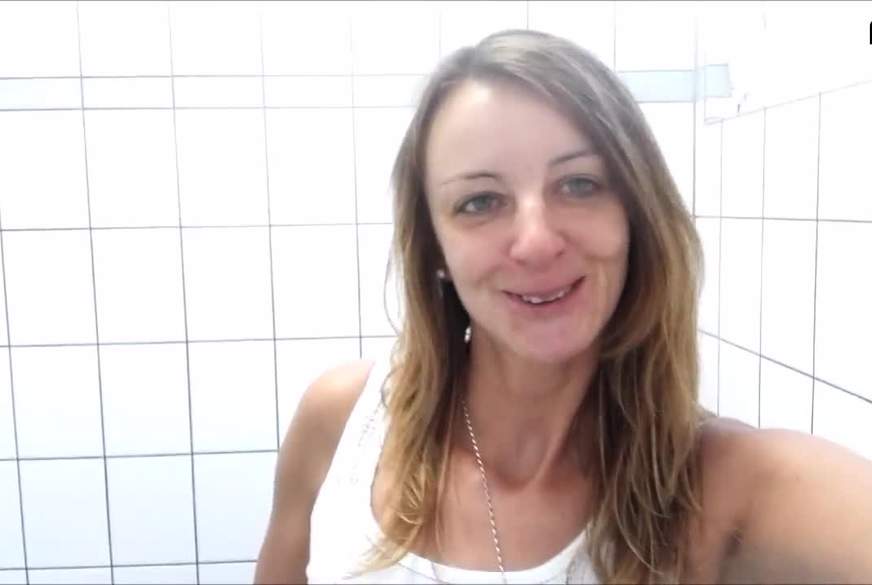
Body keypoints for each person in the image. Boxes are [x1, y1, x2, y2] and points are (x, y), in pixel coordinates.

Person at [254, 29, 872, 584]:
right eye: (480, 202)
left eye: (579, 185)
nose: (536, 241)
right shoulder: (344, 421)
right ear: (436, 249)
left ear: (636, 216)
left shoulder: (721, 485)